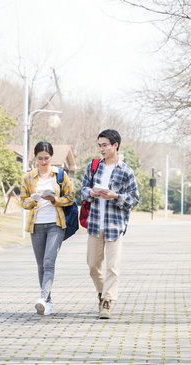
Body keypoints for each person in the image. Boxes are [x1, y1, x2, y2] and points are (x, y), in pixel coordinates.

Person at [81, 129, 139, 319]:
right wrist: (90, 193)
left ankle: (107, 301)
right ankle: (102, 292)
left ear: (115, 145)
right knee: (92, 265)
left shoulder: (126, 171)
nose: (101, 149)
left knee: (113, 267)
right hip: (95, 223)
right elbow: (81, 190)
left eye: (104, 145)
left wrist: (115, 196)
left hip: (115, 225)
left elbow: (134, 199)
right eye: (99, 145)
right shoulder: (93, 166)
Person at [21, 141, 75, 316]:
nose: (43, 162)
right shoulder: (28, 177)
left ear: (52, 157)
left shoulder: (60, 175)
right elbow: (23, 202)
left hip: (55, 224)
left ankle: (42, 299)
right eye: (40, 158)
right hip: (36, 225)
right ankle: (48, 303)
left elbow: (70, 197)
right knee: (40, 266)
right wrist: (34, 199)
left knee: (49, 262)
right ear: (35, 158)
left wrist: (55, 200)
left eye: (46, 158)